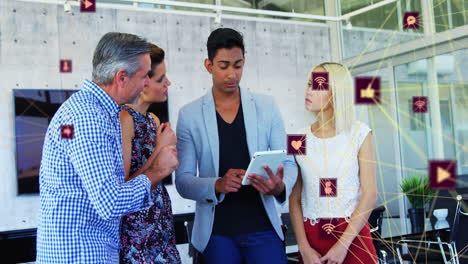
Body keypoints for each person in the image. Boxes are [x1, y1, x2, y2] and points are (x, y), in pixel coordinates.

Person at [36, 32, 179, 263]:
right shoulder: (88, 117)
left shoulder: (99, 112)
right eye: (144, 76)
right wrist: (158, 170)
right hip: (80, 255)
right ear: (121, 77)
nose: (146, 83)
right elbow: (110, 202)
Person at [175, 28, 297, 264]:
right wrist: (217, 184)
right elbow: (183, 181)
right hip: (216, 234)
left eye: (238, 65)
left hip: (264, 230)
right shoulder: (189, 115)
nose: (232, 74)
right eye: (223, 66)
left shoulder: (267, 106)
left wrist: (279, 187)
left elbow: (289, 163)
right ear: (208, 65)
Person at [289, 62, 378, 264]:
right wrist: (304, 249)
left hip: (353, 238)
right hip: (312, 241)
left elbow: (371, 193)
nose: (308, 91)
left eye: (317, 85)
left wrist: (342, 246)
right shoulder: (297, 138)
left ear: (335, 93)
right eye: (309, 83)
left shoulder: (360, 133)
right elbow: (294, 199)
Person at [119, 44, 181, 264]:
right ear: (144, 83)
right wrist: (159, 150)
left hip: (160, 221)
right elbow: (125, 188)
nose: (168, 83)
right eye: (160, 79)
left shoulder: (153, 120)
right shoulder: (125, 119)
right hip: (137, 230)